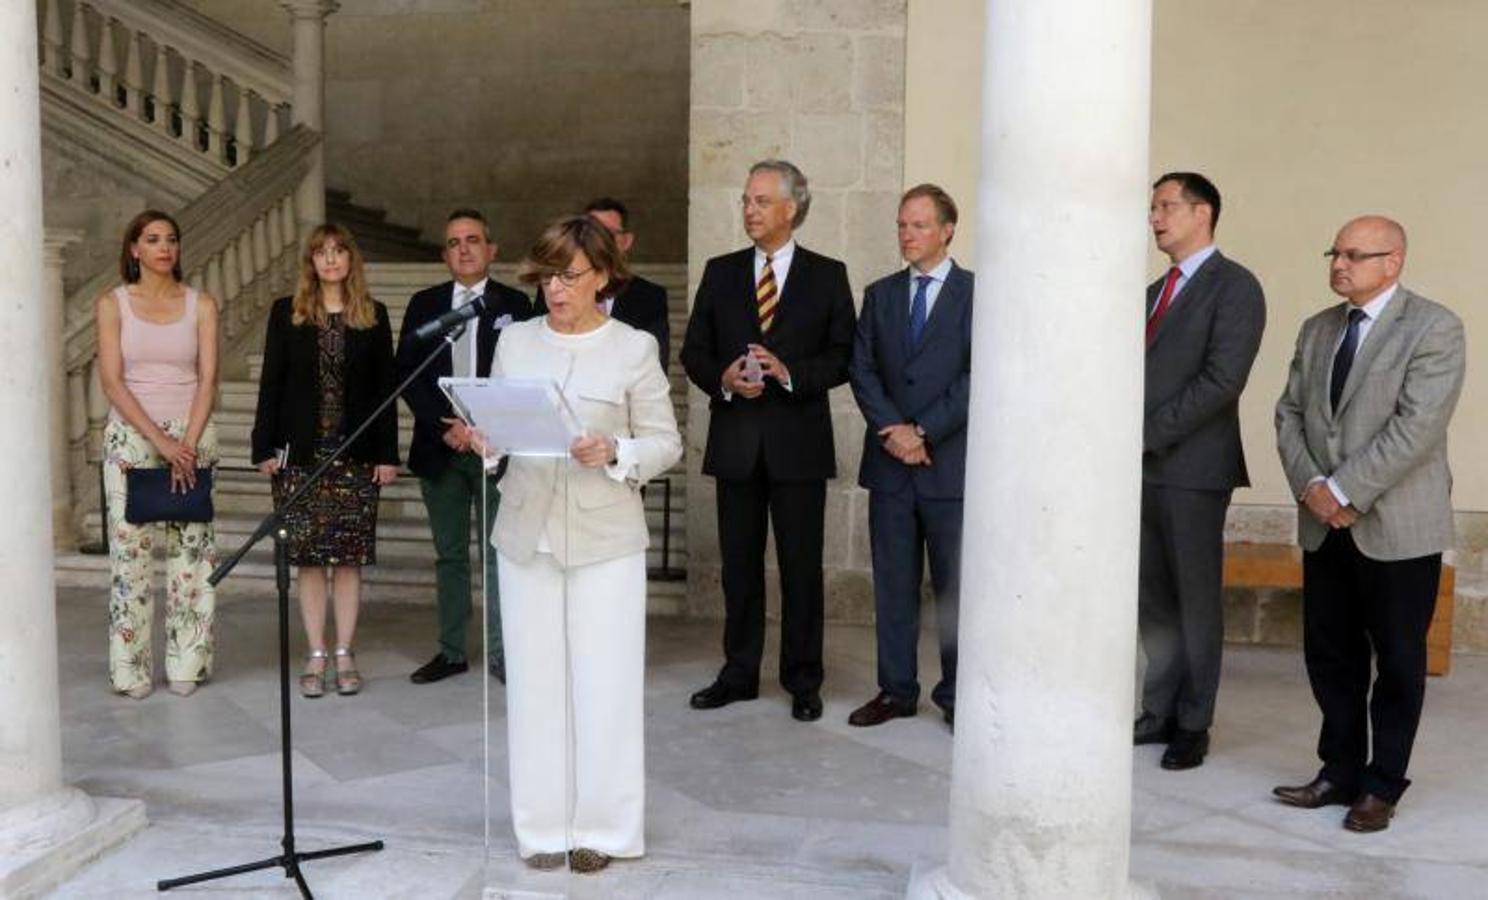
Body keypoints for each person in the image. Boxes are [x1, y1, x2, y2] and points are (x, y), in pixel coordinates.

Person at [482, 216, 681, 872]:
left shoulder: (633, 348)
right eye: (547, 276)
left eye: (570, 276)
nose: (555, 290)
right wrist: (488, 440)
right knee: (534, 686)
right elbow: (506, 429)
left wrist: (616, 449)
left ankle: (605, 830)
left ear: (602, 275)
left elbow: (666, 441)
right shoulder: (515, 342)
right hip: (526, 529)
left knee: (606, 685)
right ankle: (541, 829)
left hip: (605, 535)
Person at [1272, 216, 1465, 833]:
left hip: (1397, 526)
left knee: (1399, 659)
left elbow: (1417, 427)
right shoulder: (1317, 328)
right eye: (1335, 252)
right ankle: (1339, 771)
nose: (1339, 264)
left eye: (1356, 254)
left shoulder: (1435, 328)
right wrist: (1313, 488)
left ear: (1394, 261)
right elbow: (1290, 414)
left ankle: (1382, 785)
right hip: (1324, 523)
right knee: (1330, 654)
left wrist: (1346, 489)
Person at [681, 159, 856, 722]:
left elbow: (842, 357)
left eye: (760, 201)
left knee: (802, 569)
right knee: (739, 568)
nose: (749, 210)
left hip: (799, 445)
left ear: (792, 207)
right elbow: (694, 352)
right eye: (745, 200)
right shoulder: (721, 270)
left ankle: (803, 679)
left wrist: (787, 372)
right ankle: (739, 673)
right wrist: (724, 380)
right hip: (736, 442)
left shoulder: (828, 275)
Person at [1136, 172, 1266, 770]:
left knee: (1193, 599)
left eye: (1166, 206)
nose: (1155, 217)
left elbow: (1222, 381)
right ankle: (1158, 708)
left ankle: (1194, 720)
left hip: (1193, 469)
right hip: (1141, 469)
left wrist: (1145, 434)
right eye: (1153, 207)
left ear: (1202, 213)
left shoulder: (1235, 288)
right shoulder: (1151, 292)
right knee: (1153, 599)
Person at [251, 224, 399, 698]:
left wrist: (387, 454)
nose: (331, 259)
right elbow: (271, 382)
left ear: (351, 259)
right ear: (310, 262)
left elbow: (385, 392)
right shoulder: (286, 313)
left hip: (355, 457)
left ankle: (345, 652)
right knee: (309, 562)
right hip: (301, 457)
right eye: (322, 252)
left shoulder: (373, 315)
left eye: (339, 250)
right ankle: (316, 652)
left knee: (350, 561)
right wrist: (262, 446)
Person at [846, 184, 972, 730]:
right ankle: (895, 690)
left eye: (919, 225)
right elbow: (862, 368)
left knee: (955, 589)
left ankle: (957, 695)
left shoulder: (978, 294)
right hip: (891, 466)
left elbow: (979, 374)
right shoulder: (881, 294)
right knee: (893, 585)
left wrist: (925, 430)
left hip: (950, 466)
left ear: (947, 229)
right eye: (902, 225)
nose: (907, 235)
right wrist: (896, 431)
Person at [397, 208, 535, 685]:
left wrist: (487, 428)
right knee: (450, 554)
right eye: (454, 242)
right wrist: (446, 428)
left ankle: (502, 653)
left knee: (498, 554)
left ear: (491, 250)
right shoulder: (424, 304)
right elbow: (408, 377)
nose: (464, 249)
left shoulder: (516, 304)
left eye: (473, 239)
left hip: (494, 452)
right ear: (445, 254)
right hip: (441, 451)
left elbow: (526, 376)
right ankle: (452, 650)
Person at [95, 209, 220, 699]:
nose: (164, 247)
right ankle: (131, 670)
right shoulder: (113, 304)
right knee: (131, 558)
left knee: (193, 555)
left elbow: (208, 377)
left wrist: (185, 440)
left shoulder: (201, 304)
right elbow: (112, 380)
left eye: (171, 239)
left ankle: (188, 663)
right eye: (152, 239)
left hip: (192, 434)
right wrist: (160, 441)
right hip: (132, 436)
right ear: (134, 250)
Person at [534, 197, 670, 368]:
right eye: (591, 233)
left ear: (627, 241)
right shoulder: (552, 288)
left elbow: (654, 366)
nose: (598, 242)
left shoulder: (649, 299)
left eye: (608, 234)